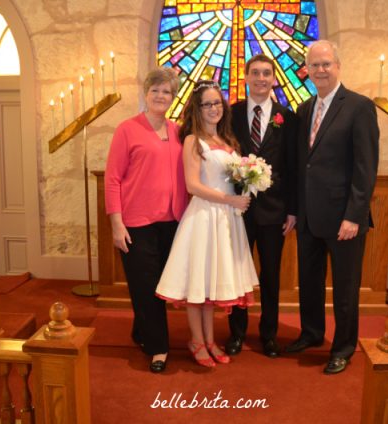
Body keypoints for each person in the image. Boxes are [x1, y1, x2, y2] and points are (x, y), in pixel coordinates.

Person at [287, 40, 379, 375]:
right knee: (308, 282)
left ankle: (342, 347)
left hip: (344, 219)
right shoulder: (305, 108)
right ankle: (311, 334)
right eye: (315, 65)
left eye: (326, 64)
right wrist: (296, 210)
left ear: (338, 66)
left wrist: (354, 216)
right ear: (307, 70)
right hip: (310, 215)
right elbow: (303, 165)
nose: (321, 70)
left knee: (345, 287)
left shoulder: (359, 107)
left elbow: (365, 168)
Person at [156, 80, 258, 368]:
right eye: (207, 104)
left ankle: (210, 340)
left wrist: (248, 186)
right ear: (197, 109)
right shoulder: (193, 141)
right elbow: (193, 185)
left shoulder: (229, 142)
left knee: (212, 284)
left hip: (227, 220)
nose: (213, 108)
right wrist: (230, 201)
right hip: (204, 216)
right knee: (198, 282)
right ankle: (196, 341)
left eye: (217, 103)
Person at [104, 67, 188, 374]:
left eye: (166, 92)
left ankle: (142, 332)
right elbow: (112, 179)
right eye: (155, 90)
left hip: (172, 222)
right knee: (145, 286)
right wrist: (116, 223)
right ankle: (158, 348)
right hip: (136, 223)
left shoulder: (179, 131)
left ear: (173, 97)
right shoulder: (127, 129)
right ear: (146, 93)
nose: (160, 96)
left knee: (160, 286)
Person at [226, 54, 297, 358]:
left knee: (270, 274)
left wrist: (293, 209)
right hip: (238, 209)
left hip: (274, 209)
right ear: (245, 77)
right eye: (255, 73)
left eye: (266, 73)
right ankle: (236, 333)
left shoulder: (287, 117)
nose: (260, 78)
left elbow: (294, 165)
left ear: (274, 79)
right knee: (237, 274)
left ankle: (269, 334)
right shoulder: (231, 113)